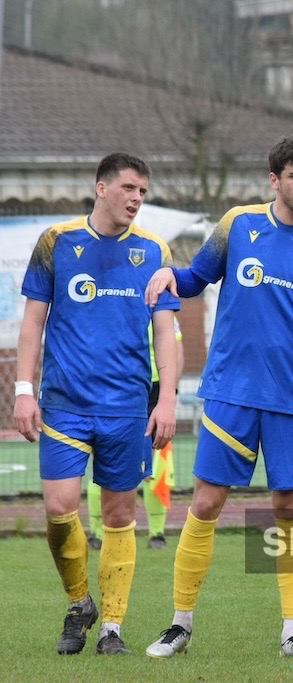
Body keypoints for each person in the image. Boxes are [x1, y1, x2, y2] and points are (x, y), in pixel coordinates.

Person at [143, 134, 293, 660]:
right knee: (206, 501)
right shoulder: (238, 224)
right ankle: (180, 625)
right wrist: (165, 272)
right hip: (230, 391)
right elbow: (195, 279)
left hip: (291, 399)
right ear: (274, 179)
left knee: (289, 508)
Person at [14, 152, 179, 656]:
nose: (136, 199)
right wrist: (23, 390)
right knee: (59, 510)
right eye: (129, 188)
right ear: (101, 187)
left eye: (143, 191)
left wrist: (167, 399)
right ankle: (79, 600)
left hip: (127, 408)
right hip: (64, 404)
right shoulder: (56, 243)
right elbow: (33, 323)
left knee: (118, 515)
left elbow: (166, 334)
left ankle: (110, 626)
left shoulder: (154, 250)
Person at [87, 317, 186, 550]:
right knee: (103, 460)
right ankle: (97, 534)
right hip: (116, 388)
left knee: (155, 462)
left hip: (154, 391)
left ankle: (156, 534)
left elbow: (176, 349)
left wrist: (169, 395)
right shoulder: (113, 304)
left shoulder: (161, 309)